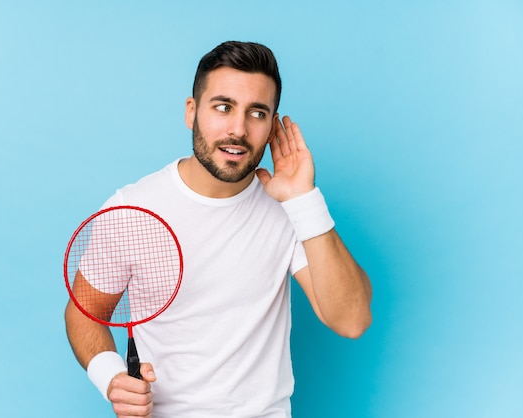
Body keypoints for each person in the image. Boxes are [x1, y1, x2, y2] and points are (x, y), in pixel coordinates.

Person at [64, 40, 372, 418]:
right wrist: (111, 376)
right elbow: (84, 311)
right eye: (223, 107)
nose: (238, 129)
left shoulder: (291, 209)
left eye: (257, 113)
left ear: (273, 126)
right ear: (191, 112)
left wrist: (303, 198)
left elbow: (352, 319)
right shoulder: (132, 209)